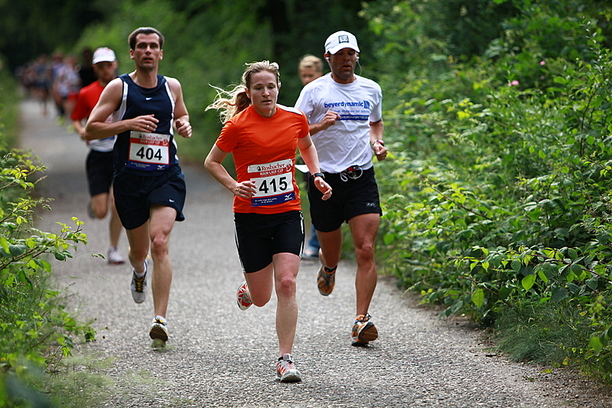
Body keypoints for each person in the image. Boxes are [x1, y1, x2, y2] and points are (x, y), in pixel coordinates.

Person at [204, 61, 332, 382]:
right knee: (261, 298)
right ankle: (250, 290)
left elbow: (306, 145)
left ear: (278, 88)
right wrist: (234, 185)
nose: (266, 92)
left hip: (287, 212)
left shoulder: (295, 118)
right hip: (250, 217)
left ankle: (285, 359)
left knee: (286, 283)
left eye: (270, 86)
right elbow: (212, 162)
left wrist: (316, 174)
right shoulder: (237, 125)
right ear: (249, 93)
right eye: (258, 88)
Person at [85, 27, 192, 346]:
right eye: (141, 46)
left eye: (153, 46)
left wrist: (184, 124)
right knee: (139, 252)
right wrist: (128, 124)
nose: (148, 50)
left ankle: (160, 320)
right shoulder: (119, 88)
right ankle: (139, 271)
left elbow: (181, 115)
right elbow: (91, 129)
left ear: (161, 53)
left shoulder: (172, 86)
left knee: (159, 242)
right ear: (132, 53)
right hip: (129, 178)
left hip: (165, 174)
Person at [295, 30, 388, 347]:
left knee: (366, 249)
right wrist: (320, 125)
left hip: (361, 177)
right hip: (324, 181)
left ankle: (361, 320)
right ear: (328, 58)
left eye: (351, 54)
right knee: (331, 250)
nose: (346, 60)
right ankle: (329, 266)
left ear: (357, 57)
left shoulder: (371, 89)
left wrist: (377, 142)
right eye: (340, 55)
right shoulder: (314, 91)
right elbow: (293, 130)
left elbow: (375, 122)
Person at [71, 47, 125, 265]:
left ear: (115, 65)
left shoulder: (125, 89)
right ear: (95, 68)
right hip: (97, 155)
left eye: (108, 65)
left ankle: (113, 248)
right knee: (101, 211)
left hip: (120, 152)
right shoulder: (86, 93)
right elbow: (76, 117)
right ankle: (95, 203)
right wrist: (81, 130)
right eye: (101, 66)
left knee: (117, 203)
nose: (105, 70)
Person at [297, 55, 324, 260]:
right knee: (316, 201)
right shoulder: (305, 96)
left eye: (311, 75)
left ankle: (327, 244)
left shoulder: (328, 93)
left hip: (332, 156)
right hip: (310, 158)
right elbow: (298, 130)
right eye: (304, 76)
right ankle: (315, 244)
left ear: (320, 73)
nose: (307, 80)